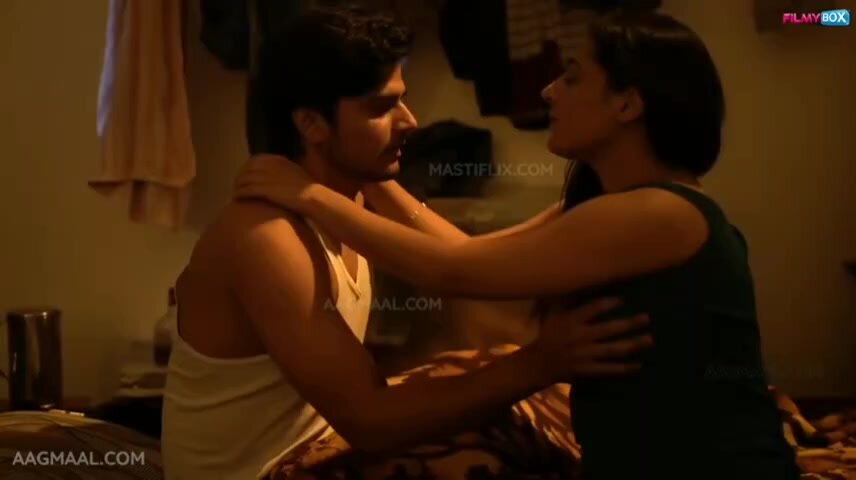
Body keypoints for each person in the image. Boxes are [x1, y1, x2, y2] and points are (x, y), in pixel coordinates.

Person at [234, 9, 802, 480]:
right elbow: (466, 253)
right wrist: (373, 175)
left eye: (572, 77)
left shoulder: (659, 214)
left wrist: (310, 193)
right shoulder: (610, 205)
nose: (549, 90)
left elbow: (453, 271)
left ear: (627, 104)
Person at [161, 6, 652, 480]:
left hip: (319, 443)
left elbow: (465, 263)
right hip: (259, 471)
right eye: (382, 107)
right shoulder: (267, 235)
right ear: (311, 124)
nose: (411, 121)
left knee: (510, 396)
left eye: (402, 98)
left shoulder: (347, 199)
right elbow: (371, 420)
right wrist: (543, 361)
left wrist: (540, 365)